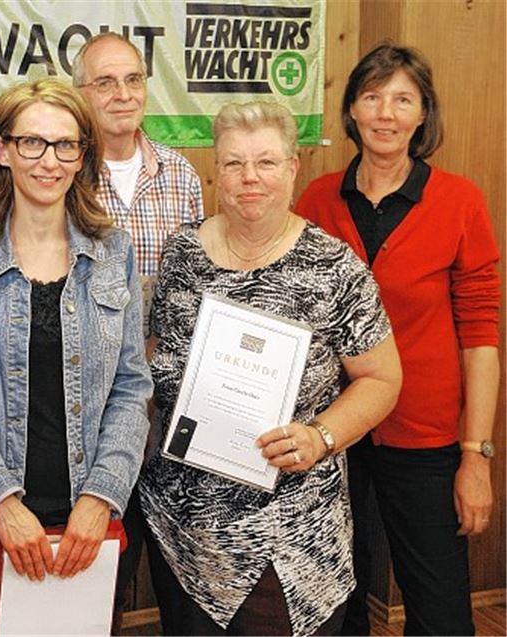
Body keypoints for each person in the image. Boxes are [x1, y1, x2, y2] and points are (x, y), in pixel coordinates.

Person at [137, 101, 403, 636]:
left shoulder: (335, 268)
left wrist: (321, 437)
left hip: (287, 537)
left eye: (266, 162)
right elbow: (153, 354)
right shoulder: (181, 254)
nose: (250, 177)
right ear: (217, 170)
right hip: (180, 531)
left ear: (292, 167)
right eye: (234, 163)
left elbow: (382, 379)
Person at [0, 78, 153, 636]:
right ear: (3, 150)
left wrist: (101, 497)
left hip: (87, 527)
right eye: (32, 142)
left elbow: (131, 387)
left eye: (65, 145)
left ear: (82, 156)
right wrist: (1, 501)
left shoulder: (114, 253)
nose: (49, 161)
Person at [296, 43, 501, 636]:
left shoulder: (460, 201)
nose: (385, 113)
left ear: (422, 114)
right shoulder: (316, 200)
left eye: (402, 100)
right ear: (351, 110)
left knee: (440, 610)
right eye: (372, 97)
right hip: (332, 433)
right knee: (336, 599)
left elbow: (480, 339)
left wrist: (475, 455)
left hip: (424, 437)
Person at [71, 32, 204, 627]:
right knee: (100, 573)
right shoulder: (64, 173)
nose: (122, 94)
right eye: (105, 82)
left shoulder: (181, 174)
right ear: (80, 93)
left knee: (180, 571)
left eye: (132, 80)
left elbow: (201, 285)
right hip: (96, 408)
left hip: (175, 405)